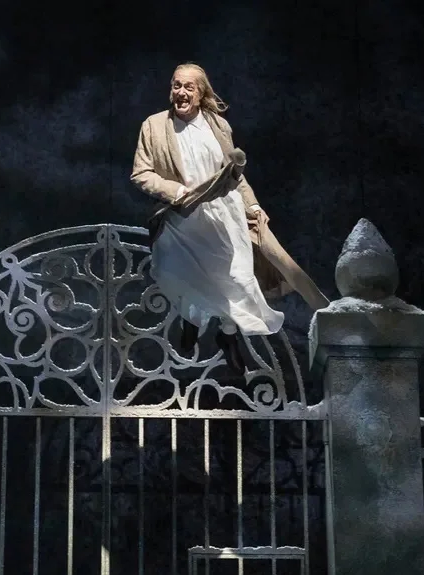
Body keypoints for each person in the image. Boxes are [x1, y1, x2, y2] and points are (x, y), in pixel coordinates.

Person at [131, 62, 328, 373]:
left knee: (234, 277)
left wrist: (253, 206)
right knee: (177, 268)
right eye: (176, 85)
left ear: (201, 93)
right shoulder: (154, 126)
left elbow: (235, 175)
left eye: (189, 87)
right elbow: (141, 173)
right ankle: (190, 317)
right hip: (182, 215)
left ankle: (228, 334)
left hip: (224, 214)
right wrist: (176, 191)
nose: (181, 92)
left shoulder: (219, 126)